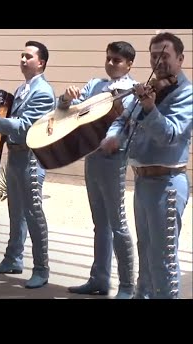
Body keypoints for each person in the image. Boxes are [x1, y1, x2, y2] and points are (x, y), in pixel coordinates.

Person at [100, 32, 192, 299]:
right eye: (154, 56)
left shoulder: (186, 93)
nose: (158, 61)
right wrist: (113, 137)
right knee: (146, 249)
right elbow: (123, 119)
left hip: (167, 183)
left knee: (163, 257)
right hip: (142, 180)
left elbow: (171, 135)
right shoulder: (151, 87)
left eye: (165, 56)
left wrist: (151, 110)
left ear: (180, 59)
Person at [0, 41, 55, 289]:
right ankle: (13, 258)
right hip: (15, 155)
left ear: (41, 63)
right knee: (15, 212)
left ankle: (41, 268)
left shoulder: (43, 92)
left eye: (28, 56)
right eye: (22, 55)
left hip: (31, 158)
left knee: (34, 214)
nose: (23, 60)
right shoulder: (23, 88)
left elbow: (27, 125)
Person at [58, 41, 137, 299]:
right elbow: (68, 111)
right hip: (92, 157)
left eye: (117, 60)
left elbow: (130, 125)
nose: (111, 63)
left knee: (118, 223)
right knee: (99, 223)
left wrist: (124, 104)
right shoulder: (95, 85)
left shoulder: (133, 90)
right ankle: (99, 278)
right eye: (109, 58)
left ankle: (126, 285)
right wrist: (66, 98)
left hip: (115, 159)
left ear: (129, 64)